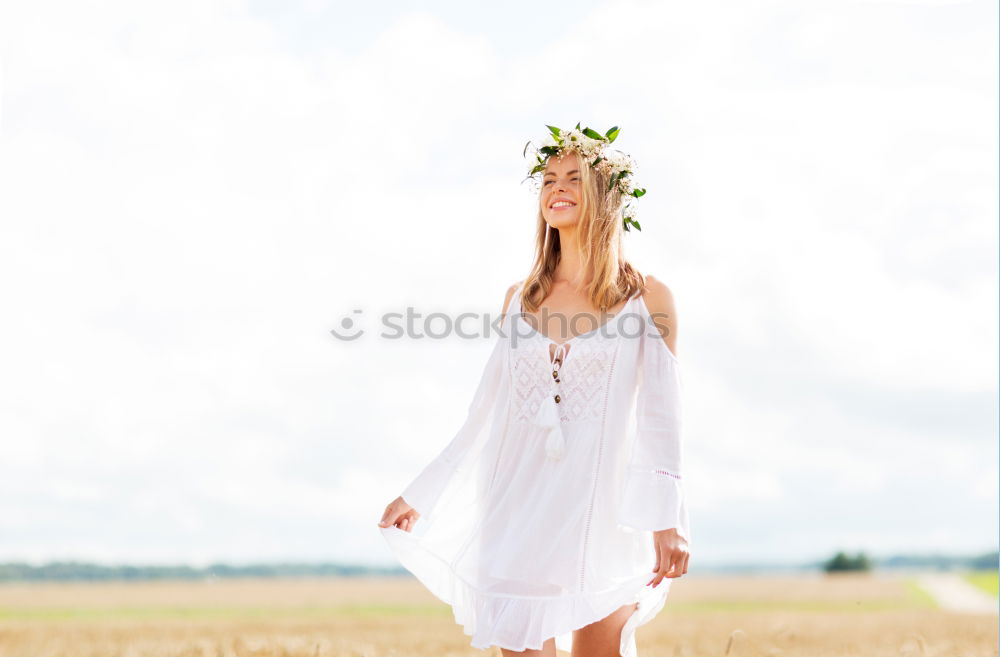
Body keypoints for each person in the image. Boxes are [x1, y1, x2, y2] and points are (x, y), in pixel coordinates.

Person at [377, 123, 691, 657]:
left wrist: (668, 519)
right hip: (515, 507)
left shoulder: (647, 298)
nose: (557, 187)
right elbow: (486, 411)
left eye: (574, 177)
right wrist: (421, 492)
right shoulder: (518, 299)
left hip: (601, 511)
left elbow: (663, 418)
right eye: (548, 178)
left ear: (608, 198)